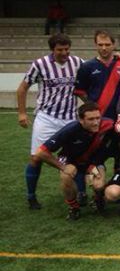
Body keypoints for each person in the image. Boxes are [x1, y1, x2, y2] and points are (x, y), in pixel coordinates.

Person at [17, 33, 84, 210]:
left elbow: (93, 70)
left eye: (67, 49)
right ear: (52, 49)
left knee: (76, 157)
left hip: (70, 118)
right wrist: (22, 113)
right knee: (36, 157)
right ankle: (31, 196)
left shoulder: (77, 62)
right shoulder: (40, 64)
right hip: (46, 117)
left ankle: (81, 193)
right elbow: (22, 88)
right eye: (60, 50)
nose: (64, 53)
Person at [34, 102, 114, 220]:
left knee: (98, 185)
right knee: (66, 177)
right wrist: (63, 167)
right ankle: (74, 207)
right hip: (70, 161)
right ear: (81, 120)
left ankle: (97, 199)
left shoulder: (108, 124)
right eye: (91, 119)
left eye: (98, 118)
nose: (96, 122)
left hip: (92, 163)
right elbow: (40, 152)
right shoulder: (71, 129)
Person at [74, 30, 120, 121]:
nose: (104, 48)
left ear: (113, 45)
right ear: (95, 45)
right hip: (96, 118)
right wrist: (92, 105)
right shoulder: (86, 67)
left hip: (119, 117)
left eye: (107, 44)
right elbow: (80, 91)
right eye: (100, 45)